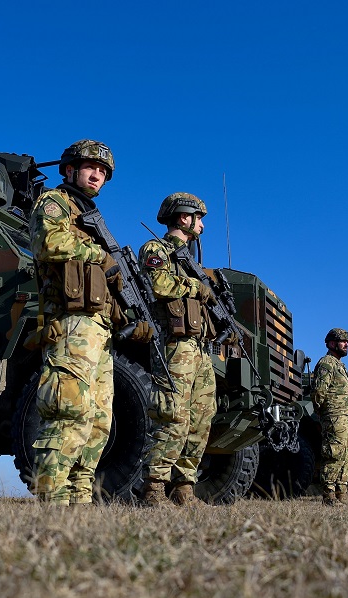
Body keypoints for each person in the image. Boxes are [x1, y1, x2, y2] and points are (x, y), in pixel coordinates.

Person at [29, 139, 148, 505]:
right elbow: (46, 242)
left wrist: (130, 314)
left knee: (98, 421)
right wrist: (100, 255)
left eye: (103, 172)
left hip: (98, 330)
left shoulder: (90, 218)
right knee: (67, 410)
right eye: (89, 167)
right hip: (69, 323)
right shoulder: (54, 202)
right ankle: (52, 500)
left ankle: (80, 497)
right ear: (68, 170)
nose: (97, 175)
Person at [138, 193, 218, 507]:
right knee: (172, 415)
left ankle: (184, 488)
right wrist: (198, 288)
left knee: (201, 418)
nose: (202, 225)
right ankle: (154, 488)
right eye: (199, 218)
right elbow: (159, 285)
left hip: (198, 348)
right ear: (183, 217)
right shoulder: (156, 249)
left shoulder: (191, 262)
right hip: (174, 346)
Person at [310, 328, 348, 506]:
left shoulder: (340, 366)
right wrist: (324, 416)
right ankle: (328, 496)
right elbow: (318, 392)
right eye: (343, 341)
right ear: (331, 343)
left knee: (346, 457)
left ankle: (340, 494)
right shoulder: (326, 363)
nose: (347, 345)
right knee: (333, 454)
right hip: (335, 417)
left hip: (346, 419)